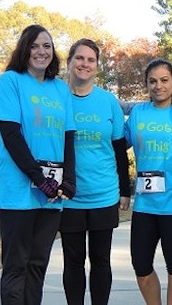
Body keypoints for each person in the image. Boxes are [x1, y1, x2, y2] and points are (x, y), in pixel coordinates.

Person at [0, 24, 76, 304]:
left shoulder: (60, 89)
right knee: (16, 266)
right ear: (24, 49)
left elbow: (68, 136)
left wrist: (68, 180)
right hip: (19, 192)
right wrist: (40, 180)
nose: (41, 51)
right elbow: (11, 135)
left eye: (47, 46)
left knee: (37, 265)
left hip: (51, 195)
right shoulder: (10, 81)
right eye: (35, 46)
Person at [58, 38, 130, 304]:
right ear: (69, 62)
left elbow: (119, 149)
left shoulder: (108, 101)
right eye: (79, 58)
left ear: (97, 66)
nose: (84, 64)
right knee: (73, 262)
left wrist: (125, 190)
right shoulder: (58, 98)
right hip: (69, 195)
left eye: (90, 60)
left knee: (101, 261)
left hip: (104, 194)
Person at [124, 59, 172, 305]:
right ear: (146, 84)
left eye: (164, 80)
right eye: (152, 81)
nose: (158, 86)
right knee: (140, 264)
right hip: (144, 205)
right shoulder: (139, 112)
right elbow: (120, 145)